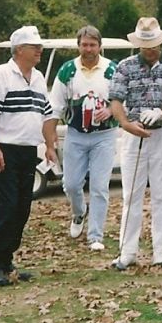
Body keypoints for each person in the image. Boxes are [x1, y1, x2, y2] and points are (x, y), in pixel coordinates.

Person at [0, 26, 57, 286]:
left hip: (27, 151)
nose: (39, 50)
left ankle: (6, 260)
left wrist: (49, 145)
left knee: (22, 208)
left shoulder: (37, 78)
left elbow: (46, 114)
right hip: (5, 148)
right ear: (19, 50)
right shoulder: (1, 74)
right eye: (34, 46)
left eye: (40, 46)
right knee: (6, 206)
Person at [109, 17, 162, 270]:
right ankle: (127, 251)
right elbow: (115, 99)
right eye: (144, 45)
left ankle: (161, 250)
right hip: (133, 135)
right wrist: (126, 123)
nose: (148, 50)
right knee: (131, 195)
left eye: (152, 45)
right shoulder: (126, 66)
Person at [48, 25, 118, 252]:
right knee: (71, 184)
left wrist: (110, 111)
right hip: (76, 135)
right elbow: (55, 106)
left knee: (99, 186)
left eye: (92, 45)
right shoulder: (68, 70)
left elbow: (122, 100)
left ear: (100, 46)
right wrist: (50, 140)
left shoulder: (111, 70)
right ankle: (79, 213)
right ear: (78, 45)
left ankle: (95, 235)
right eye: (84, 45)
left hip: (104, 136)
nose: (88, 49)